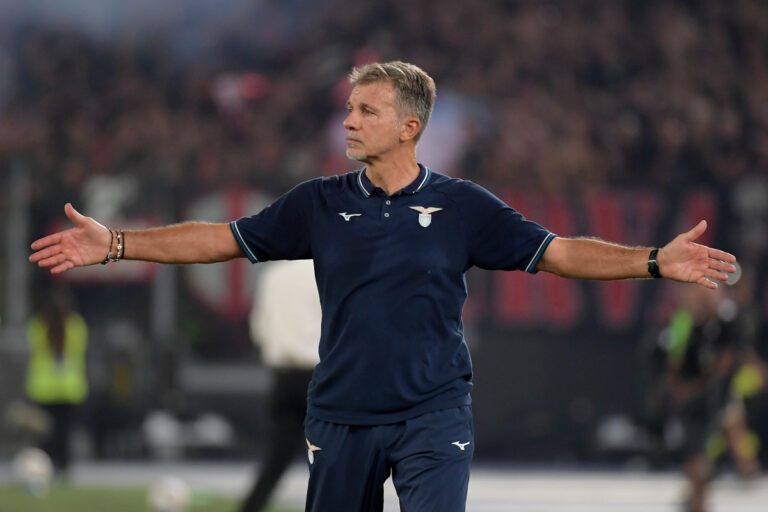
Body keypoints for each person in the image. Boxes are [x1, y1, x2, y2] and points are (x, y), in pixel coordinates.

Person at [29, 61, 737, 512]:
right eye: (349, 110)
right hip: (339, 416)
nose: (349, 121)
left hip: (433, 415)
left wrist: (652, 260)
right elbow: (222, 238)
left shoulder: (464, 206)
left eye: (365, 111)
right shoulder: (317, 202)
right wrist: (116, 242)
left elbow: (557, 254)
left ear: (410, 126)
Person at [664, 283, 760, 512]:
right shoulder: (688, 321)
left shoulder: (727, 320)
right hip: (693, 395)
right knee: (698, 446)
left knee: (724, 430)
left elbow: (727, 361)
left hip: (715, 393)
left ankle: (745, 468)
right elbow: (677, 359)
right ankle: (700, 491)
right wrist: (680, 386)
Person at [241, 259, 321, 512]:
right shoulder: (327, 269)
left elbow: (259, 329)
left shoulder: (272, 275)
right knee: (335, 456)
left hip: (283, 376)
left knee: (277, 457)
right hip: (321, 377)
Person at [25, 287, 88, 477]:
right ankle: (64, 468)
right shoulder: (76, 326)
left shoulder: (37, 326)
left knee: (44, 434)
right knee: (64, 433)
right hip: (70, 388)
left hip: (43, 388)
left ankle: (44, 467)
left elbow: (33, 351)